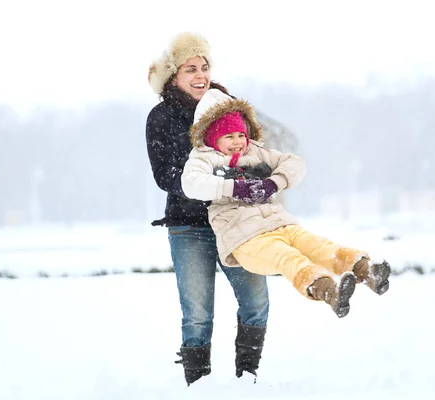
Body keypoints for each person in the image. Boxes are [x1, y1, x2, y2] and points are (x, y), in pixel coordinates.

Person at [181, 88, 392, 320]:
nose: (238, 142)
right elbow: (191, 184)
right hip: (246, 239)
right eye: (229, 136)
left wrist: (274, 182)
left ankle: (367, 271)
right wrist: (235, 188)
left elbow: (295, 163)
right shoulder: (203, 159)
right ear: (213, 138)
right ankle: (328, 290)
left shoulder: (257, 152)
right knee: (289, 258)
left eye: (241, 135)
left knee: (320, 246)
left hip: (282, 224)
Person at [146, 32, 269, 386]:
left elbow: (252, 152)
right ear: (175, 76)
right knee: (197, 315)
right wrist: (216, 182)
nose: (200, 75)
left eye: (204, 67)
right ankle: (198, 386)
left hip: (236, 222)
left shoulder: (227, 106)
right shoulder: (162, 116)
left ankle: (248, 381)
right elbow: (165, 174)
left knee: (256, 301)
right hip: (189, 226)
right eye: (190, 69)